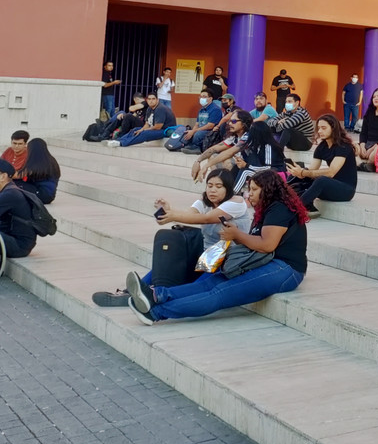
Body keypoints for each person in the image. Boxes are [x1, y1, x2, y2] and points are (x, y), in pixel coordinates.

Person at [126, 169, 308, 324]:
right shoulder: (266, 210)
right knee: (210, 282)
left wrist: (237, 235)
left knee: (219, 293)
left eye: (254, 189)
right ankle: (156, 295)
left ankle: (155, 312)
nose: (249, 194)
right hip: (264, 261)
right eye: (249, 189)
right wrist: (236, 235)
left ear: (268, 190)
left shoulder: (279, 209)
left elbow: (267, 245)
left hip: (286, 269)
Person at [93, 169, 253, 307]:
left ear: (228, 189)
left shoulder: (236, 202)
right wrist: (168, 211)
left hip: (230, 257)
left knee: (197, 288)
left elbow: (206, 219)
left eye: (219, 187)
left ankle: (155, 296)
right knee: (169, 261)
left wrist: (173, 215)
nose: (212, 190)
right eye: (210, 185)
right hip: (207, 256)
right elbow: (189, 215)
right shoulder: (204, 201)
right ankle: (134, 292)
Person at [288, 114, 357, 216]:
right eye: (319, 128)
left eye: (323, 128)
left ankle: (295, 209)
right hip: (330, 187)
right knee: (297, 176)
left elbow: (331, 172)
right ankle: (305, 206)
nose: (319, 131)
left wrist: (304, 172)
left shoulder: (343, 146)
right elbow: (312, 169)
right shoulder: (322, 146)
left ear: (333, 128)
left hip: (346, 190)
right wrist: (299, 172)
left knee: (321, 179)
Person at [191, 110, 251, 181]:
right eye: (229, 121)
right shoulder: (234, 137)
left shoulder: (248, 135)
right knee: (213, 156)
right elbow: (214, 149)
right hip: (240, 167)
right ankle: (219, 184)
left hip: (253, 169)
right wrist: (198, 161)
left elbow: (229, 153)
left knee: (227, 161)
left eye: (234, 121)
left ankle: (229, 187)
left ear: (244, 123)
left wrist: (206, 166)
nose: (230, 124)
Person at [232, 120, 285, 192]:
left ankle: (232, 195)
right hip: (263, 171)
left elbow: (269, 168)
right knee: (236, 168)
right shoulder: (257, 145)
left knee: (245, 172)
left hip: (275, 173)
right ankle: (228, 190)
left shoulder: (269, 147)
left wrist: (247, 166)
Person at [15, 137, 61, 204]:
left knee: (13, 183)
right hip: (48, 196)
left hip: (43, 195)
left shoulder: (40, 163)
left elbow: (18, 175)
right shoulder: (50, 160)